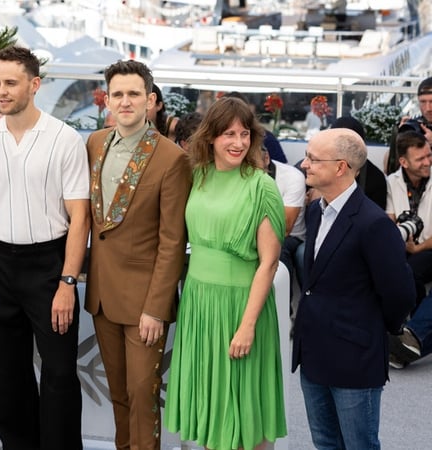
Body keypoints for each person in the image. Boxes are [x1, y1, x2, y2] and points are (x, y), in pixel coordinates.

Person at [0, 45, 89, 449]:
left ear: (34, 85)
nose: (1, 91)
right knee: (6, 374)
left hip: (49, 266)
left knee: (59, 374)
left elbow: (80, 218)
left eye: (11, 83)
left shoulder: (64, 140)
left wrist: (67, 282)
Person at [165, 96, 287, 450]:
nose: (238, 142)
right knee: (212, 404)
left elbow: (269, 262)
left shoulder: (261, 186)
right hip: (199, 304)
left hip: (240, 306)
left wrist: (247, 326)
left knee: (245, 405)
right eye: (229, 134)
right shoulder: (198, 176)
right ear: (211, 137)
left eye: (244, 133)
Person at [84, 60, 191, 450]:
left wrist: (156, 308)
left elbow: (172, 241)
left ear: (150, 100)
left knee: (143, 395)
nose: (125, 101)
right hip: (101, 294)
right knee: (118, 394)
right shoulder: (95, 143)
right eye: (118, 94)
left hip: (145, 301)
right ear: (107, 100)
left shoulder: (171, 158)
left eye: (133, 94)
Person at [292, 128, 415, 449]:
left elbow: (400, 294)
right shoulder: (316, 212)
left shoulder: (373, 223)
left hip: (355, 357)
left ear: (340, 167)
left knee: (359, 444)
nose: (304, 164)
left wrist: (369, 330)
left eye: (313, 159)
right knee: (325, 443)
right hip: (314, 352)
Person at [385, 130, 432, 305]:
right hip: (402, 248)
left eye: (429, 155)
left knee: (410, 272)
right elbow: (390, 222)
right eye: (420, 159)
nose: (427, 162)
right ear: (403, 162)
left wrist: (417, 248)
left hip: (428, 248)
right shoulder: (391, 182)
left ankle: (416, 320)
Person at [261, 140, 306, 297]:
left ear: (266, 158)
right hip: (255, 231)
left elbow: (285, 228)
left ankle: (283, 307)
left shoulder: (292, 177)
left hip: (291, 236)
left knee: (276, 248)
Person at [385, 76, 432, 174]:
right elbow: (389, 169)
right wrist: (400, 140)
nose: (428, 108)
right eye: (423, 102)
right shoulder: (416, 125)